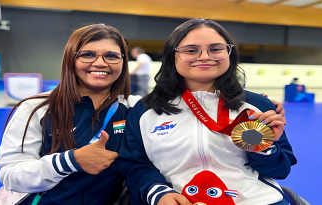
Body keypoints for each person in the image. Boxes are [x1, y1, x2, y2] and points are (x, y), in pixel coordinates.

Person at [117, 19, 297, 205]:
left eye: (215, 49)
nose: (204, 56)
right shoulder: (146, 110)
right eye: (191, 50)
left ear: (229, 53)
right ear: (173, 56)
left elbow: (280, 171)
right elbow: (134, 164)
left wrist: (263, 147)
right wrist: (159, 194)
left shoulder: (258, 105)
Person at [0, 24, 141, 205]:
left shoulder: (135, 108)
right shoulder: (36, 108)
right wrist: (70, 161)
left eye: (111, 56)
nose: (100, 63)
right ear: (70, 59)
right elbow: (10, 175)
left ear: (123, 62)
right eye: (88, 54)